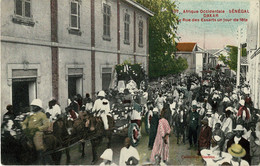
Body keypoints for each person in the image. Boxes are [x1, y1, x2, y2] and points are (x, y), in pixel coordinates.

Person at [21, 99, 50, 163]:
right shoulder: (30, 115)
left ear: (38, 107)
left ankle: (40, 158)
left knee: (38, 144)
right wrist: (24, 127)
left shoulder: (42, 115)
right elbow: (24, 122)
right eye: (32, 106)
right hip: (28, 132)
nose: (32, 107)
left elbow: (46, 125)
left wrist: (38, 128)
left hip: (37, 132)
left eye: (34, 106)